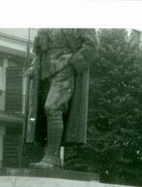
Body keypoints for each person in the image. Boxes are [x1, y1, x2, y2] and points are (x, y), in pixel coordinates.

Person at [25, 28, 99, 169]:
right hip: (44, 70)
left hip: (65, 66)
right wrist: (34, 65)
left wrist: (73, 64)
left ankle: (52, 157)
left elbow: (92, 44)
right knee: (44, 113)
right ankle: (50, 156)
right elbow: (40, 46)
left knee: (52, 107)